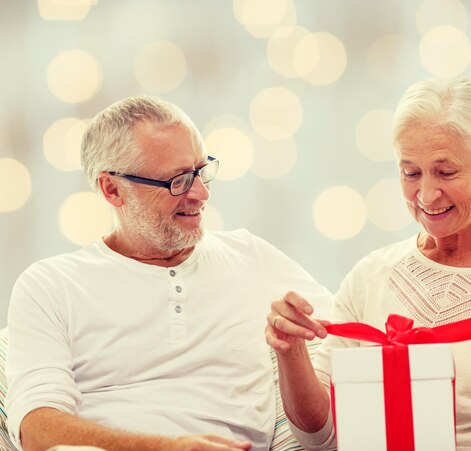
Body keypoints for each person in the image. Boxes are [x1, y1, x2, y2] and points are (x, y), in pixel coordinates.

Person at [266, 77, 471, 450]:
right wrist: (290, 352)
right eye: (410, 173)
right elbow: (322, 439)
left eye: (446, 172)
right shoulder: (370, 278)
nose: (426, 195)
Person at [6, 95, 332, 451]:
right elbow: (36, 430)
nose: (201, 193)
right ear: (112, 189)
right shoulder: (50, 285)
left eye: (201, 171)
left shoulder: (251, 257)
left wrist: (293, 349)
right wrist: (166, 448)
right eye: (178, 181)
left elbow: (359, 342)